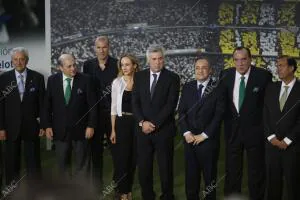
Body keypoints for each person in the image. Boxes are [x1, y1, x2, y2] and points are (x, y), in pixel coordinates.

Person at [219, 47, 272, 200]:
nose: (240, 63)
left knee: (256, 171)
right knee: (232, 170)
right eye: (236, 60)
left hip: (255, 132)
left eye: (243, 59)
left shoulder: (263, 76)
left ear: (250, 59)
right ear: (233, 61)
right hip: (232, 132)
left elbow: (267, 106)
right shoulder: (225, 75)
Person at [132, 45, 180, 200]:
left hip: (164, 131)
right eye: (154, 59)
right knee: (144, 167)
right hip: (142, 131)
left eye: (160, 58)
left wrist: (153, 124)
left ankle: (167, 196)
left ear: (163, 59)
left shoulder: (173, 78)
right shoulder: (139, 77)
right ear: (148, 60)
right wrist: (142, 122)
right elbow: (135, 102)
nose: (158, 62)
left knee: (165, 167)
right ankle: (147, 196)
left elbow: (170, 105)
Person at [44, 54, 97, 180]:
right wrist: (47, 126)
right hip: (60, 131)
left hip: (82, 130)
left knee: (83, 165)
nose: (73, 68)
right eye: (69, 66)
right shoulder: (52, 80)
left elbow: (93, 106)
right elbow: (46, 106)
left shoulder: (86, 80)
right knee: (63, 165)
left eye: (74, 65)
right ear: (60, 68)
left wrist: (91, 125)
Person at [178, 57, 224, 200]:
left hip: (208, 141)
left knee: (209, 179)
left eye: (204, 67)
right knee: (191, 179)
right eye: (197, 68)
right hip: (189, 140)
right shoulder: (188, 87)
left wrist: (204, 135)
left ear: (210, 70)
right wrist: (186, 132)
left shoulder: (219, 88)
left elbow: (218, 115)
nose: (200, 70)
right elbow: (182, 112)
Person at [0, 47, 45, 186]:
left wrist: (43, 124)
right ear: (12, 61)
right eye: (15, 59)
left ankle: (34, 191)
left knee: (33, 162)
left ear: (27, 60)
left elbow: (42, 104)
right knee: (12, 162)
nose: (19, 62)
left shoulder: (37, 78)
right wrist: (1, 128)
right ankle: (12, 192)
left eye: (22, 59)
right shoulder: (3, 78)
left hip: (31, 126)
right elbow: (1, 106)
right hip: (10, 127)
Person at [83, 36, 118, 189]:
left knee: (117, 153)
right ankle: (97, 188)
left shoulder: (117, 64)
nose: (101, 50)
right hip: (95, 116)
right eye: (98, 47)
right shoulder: (88, 65)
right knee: (95, 154)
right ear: (94, 48)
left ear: (109, 47)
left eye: (104, 47)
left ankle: (119, 187)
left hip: (114, 115)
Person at [264, 56, 300, 200]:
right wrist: (271, 137)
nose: (278, 68)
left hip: (293, 146)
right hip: (272, 146)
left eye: (282, 65)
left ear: (292, 68)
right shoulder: (271, 88)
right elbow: (265, 113)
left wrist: (288, 140)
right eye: (277, 65)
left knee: (293, 184)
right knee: (272, 184)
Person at [110, 54, 139, 200]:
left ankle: (128, 191)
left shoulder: (142, 81)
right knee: (122, 159)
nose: (125, 67)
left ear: (134, 65)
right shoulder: (117, 82)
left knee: (133, 159)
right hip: (121, 123)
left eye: (127, 64)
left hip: (137, 124)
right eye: (122, 65)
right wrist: (113, 130)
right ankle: (122, 193)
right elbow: (114, 108)